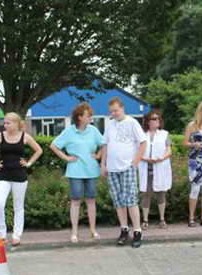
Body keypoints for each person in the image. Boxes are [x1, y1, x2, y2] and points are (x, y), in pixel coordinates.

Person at [0, 112, 42, 245]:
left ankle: (17, 235)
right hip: (3, 175)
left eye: (8, 123)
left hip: (19, 175)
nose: (5, 125)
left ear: (16, 123)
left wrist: (29, 163)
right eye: (4, 123)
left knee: (18, 206)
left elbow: (39, 150)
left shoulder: (25, 136)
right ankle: (2, 234)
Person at [51, 103, 105, 243]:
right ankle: (74, 232)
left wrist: (99, 155)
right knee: (75, 201)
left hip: (91, 171)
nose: (91, 117)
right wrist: (66, 158)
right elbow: (54, 146)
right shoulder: (69, 131)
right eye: (88, 115)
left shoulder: (93, 130)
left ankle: (93, 230)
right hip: (75, 171)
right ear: (80, 117)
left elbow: (104, 144)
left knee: (91, 201)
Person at [101, 97, 148, 248]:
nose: (113, 113)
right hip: (112, 168)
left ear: (122, 108)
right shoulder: (110, 125)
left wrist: (135, 161)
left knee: (130, 200)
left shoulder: (132, 122)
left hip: (127, 167)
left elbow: (143, 142)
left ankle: (137, 231)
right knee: (118, 200)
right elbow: (105, 144)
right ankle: (124, 229)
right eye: (111, 111)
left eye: (115, 110)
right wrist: (103, 164)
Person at [139, 110, 172, 230]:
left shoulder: (165, 134)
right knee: (146, 194)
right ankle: (145, 220)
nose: (157, 120)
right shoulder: (142, 135)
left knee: (161, 194)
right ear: (148, 121)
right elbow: (137, 151)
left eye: (158, 118)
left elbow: (169, 150)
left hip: (160, 167)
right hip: (146, 168)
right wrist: (145, 159)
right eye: (154, 118)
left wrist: (161, 158)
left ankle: (162, 219)